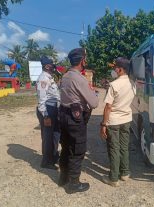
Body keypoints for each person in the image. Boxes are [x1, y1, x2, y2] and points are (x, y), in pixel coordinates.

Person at [58, 48, 99, 194]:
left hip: (63, 114)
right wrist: (95, 93)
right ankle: (73, 184)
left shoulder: (65, 76)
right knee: (77, 150)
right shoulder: (79, 79)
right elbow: (94, 103)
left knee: (66, 146)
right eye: (85, 59)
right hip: (75, 118)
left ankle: (63, 178)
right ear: (82, 61)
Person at [100, 57, 135, 187]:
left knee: (114, 148)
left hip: (114, 121)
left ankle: (113, 178)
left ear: (120, 69)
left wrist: (103, 124)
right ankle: (125, 173)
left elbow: (108, 107)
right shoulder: (132, 83)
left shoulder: (114, 85)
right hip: (126, 119)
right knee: (124, 147)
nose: (114, 70)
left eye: (115, 68)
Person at [36, 56, 60, 170]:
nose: (53, 66)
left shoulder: (50, 77)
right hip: (47, 110)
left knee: (56, 135)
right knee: (48, 137)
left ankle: (54, 156)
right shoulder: (43, 79)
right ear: (47, 66)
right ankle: (46, 161)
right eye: (52, 64)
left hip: (54, 109)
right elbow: (41, 100)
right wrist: (45, 115)